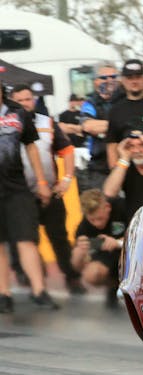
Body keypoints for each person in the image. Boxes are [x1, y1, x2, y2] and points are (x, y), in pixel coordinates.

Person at [10, 84, 85, 295]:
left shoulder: (47, 122)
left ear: (34, 100)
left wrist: (67, 178)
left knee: (59, 237)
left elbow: (67, 150)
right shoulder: (6, 125)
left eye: (28, 99)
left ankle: (71, 276)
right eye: (20, 100)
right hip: (20, 194)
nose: (25, 103)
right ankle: (33, 277)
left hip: (50, 192)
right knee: (25, 239)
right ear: (12, 102)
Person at [0, 83, 59, 312]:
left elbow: (31, 148)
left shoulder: (18, 113)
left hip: (16, 187)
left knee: (27, 239)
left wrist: (42, 182)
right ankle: (3, 294)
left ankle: (39, 291)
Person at [70, 189, 126, 307]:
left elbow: (142, 236)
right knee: (91, 274)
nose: (97, 223)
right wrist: (80, 252)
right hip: (106, 258)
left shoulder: (122, 207)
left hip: (129, 253)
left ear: (107, 207)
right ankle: (113, 286)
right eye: (92, 220)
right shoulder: (83, 227)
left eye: (100, 218)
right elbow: (77, 267)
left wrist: (117, 242)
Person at [79, 64, 120, 192]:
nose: (109, 81)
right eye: (104, 77)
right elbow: (88, 126)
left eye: (113, 77)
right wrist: (122, 124)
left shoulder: (125, 98)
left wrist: (104, 127)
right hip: (100, 166)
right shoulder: (90, 103)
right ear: (95, 81)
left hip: (127, 162)